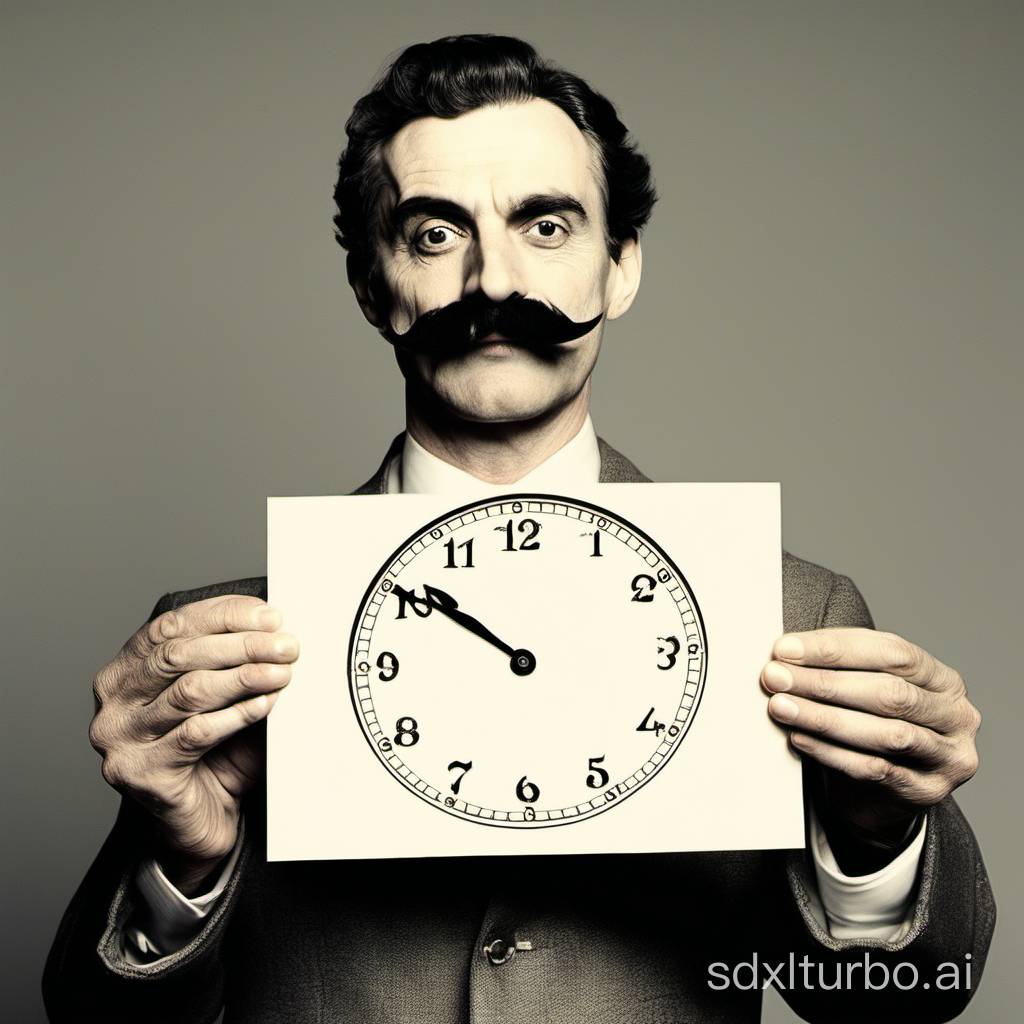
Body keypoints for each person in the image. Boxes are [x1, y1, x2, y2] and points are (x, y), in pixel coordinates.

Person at [44, 34, 993, 1024]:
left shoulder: (790, 612)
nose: (492, 280)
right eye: (434, 233)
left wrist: (880, 838)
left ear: (618, 267)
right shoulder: (215, 646)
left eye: (544, 224)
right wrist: (184, 857)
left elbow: (900, 1004)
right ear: (374, 285)